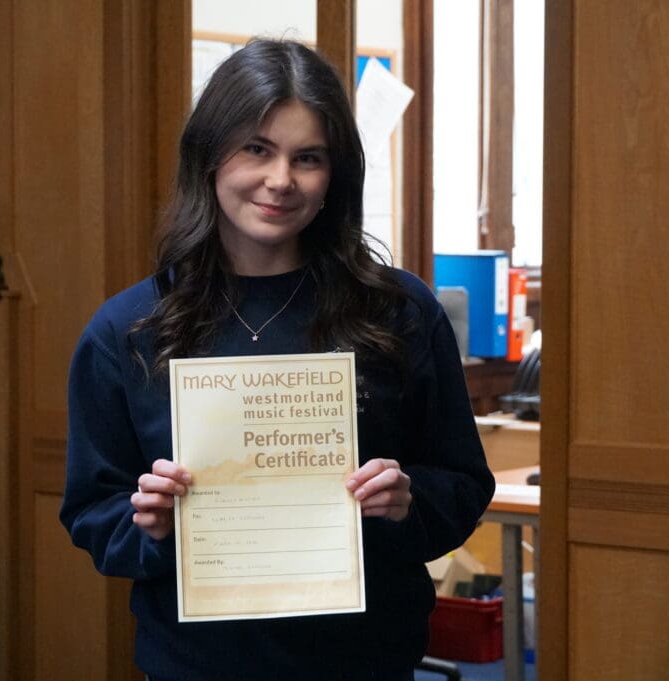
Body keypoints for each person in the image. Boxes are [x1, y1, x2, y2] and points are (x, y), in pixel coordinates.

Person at [60, 38, 494, 681]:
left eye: (308, 157)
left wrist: (408, 501)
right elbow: (91, 511)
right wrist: (144, 524)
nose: (281, 180)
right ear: (209, 156)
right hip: (196, 665)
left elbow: (464, 482)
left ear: (335, 175)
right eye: (257, 149)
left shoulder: (400, 312)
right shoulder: (128, 330)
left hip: (366, 661)